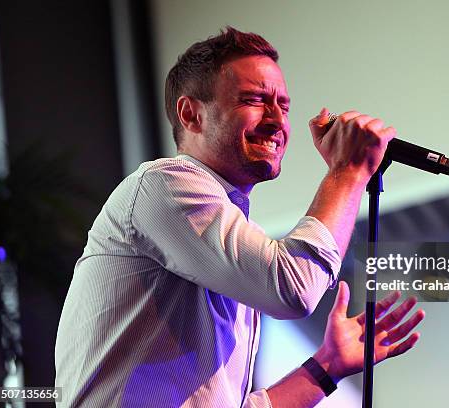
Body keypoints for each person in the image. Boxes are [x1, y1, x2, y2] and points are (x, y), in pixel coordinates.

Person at [55, 26, 424, 407]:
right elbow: (293, 289)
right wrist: (347, 171)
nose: (276, 119)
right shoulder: (163, 185)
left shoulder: (235, 235)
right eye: (254, 99)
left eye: (283, 105)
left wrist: (326, 367)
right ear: (191, 114)